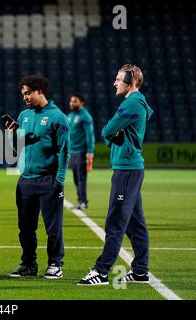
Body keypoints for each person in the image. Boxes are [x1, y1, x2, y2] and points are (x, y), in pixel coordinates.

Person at [78, 64, 153, 285]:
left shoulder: (131, 103)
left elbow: (107, 130)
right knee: (134, 223)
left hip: (127, 170)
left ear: (131, 81)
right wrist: (116, 135)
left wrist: (113, 135)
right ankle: (140, 271)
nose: (115, 83)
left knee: (116, 222)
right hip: (129, 168)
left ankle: (101, 271)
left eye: (119, 79)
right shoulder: (136, 103)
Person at [6, 74, 70, 279]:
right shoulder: (24, 115)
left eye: (28, 93)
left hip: (47, 180)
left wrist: (59, 179)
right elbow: (18, 149)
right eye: (23, 94)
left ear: (40, 91)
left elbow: (64, 150)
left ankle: (55, 264)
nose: (24, 97)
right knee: (25, 228)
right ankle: (28, 264)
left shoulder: (58, 117)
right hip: (25, 180)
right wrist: (11, 135)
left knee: (53, 227)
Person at [67, 93, 95, 210]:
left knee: (81, 177)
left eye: (75, 101)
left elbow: (90, 135)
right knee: (75, 177)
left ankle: (83, 201)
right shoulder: (70, 115)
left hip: (81, 151)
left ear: (81, 103)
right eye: (71, 101)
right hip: (72, 151)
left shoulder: (85, 116)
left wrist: (90, 151)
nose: (72, 103)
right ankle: (81, 200)